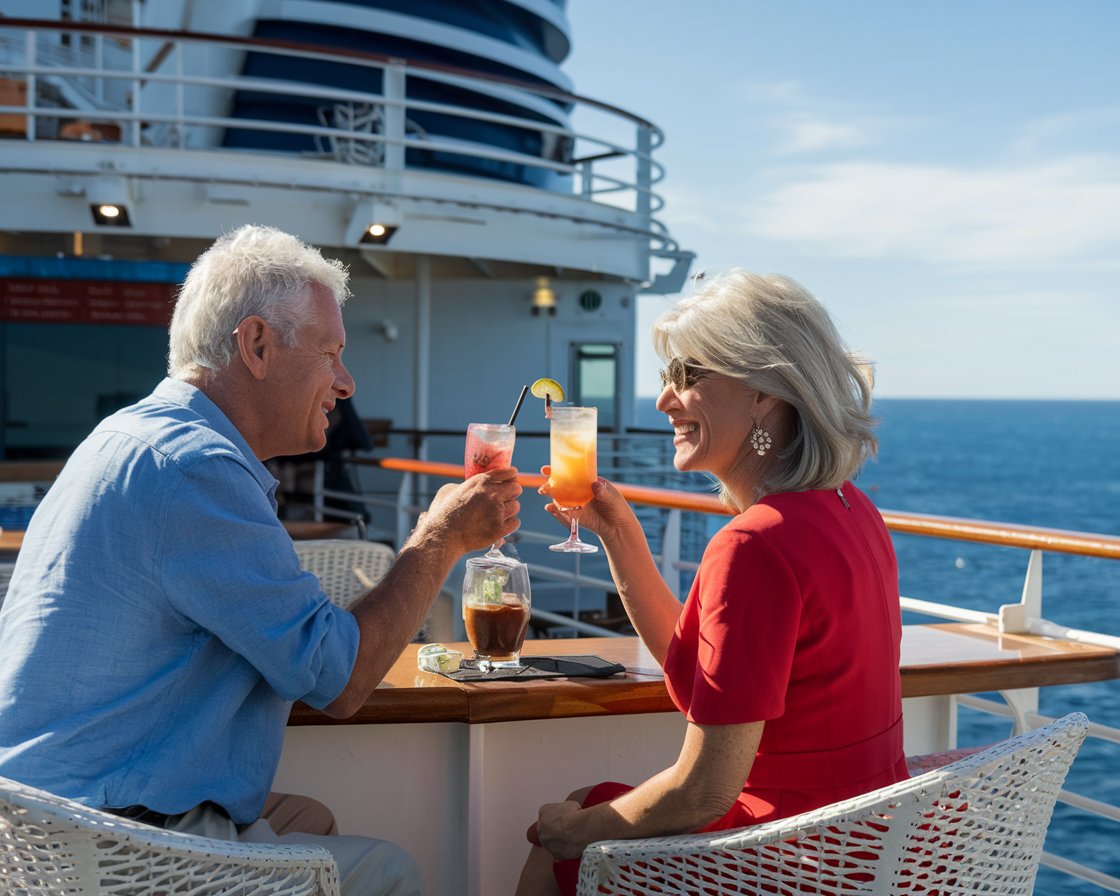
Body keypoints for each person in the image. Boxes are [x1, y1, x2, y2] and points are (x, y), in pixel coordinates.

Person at [0, 225, 521, 896]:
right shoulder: (195, 469)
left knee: (314, 819)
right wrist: (441, 538)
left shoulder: (129, 436)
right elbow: (343, 680)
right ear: (256, 345)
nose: (345, 381)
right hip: (111, 837)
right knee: (389, 872)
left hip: (38, 820)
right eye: (331, 353)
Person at [518, 270, 908, 895]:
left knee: (558, 844)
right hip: (869, 844)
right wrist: (619, 532)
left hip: (790, 862)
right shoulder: (849, 508)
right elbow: (700, 669)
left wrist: (573, 835)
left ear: (764, 393)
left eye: (688, 377)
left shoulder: (754, 543)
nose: (664, 401)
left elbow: (705, 790)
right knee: (585, 804)